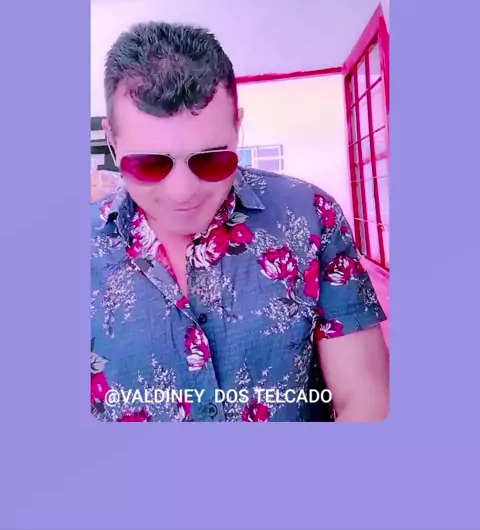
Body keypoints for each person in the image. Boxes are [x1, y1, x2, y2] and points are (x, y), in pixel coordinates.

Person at [91, 21, 389, 423]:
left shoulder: (311, 216)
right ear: (112, 140)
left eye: (211, 159)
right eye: (150, 164)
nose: (182, 191)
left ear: (237, 126)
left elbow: (367, 401)